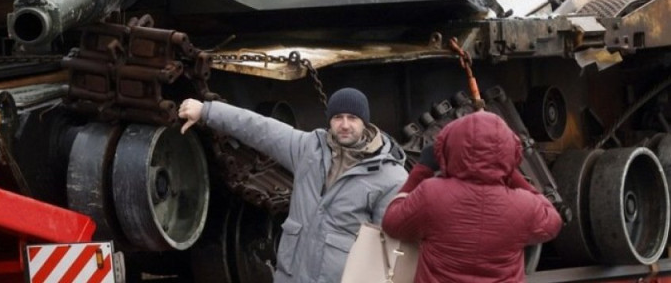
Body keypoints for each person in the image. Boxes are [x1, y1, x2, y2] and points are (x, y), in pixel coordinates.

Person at [179, 88, 408, 283]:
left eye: (352, 118)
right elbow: (260, 129)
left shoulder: (389, 177)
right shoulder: (309, 149)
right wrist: (207, 111)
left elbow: (387, 251)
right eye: (338, 117)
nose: (345, 125)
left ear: (365, 122)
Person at [382, 111, 562, 283]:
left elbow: (392, 223)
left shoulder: (431, 194)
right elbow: (553, 221)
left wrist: (421, 170)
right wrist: (511, 173)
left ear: (449, 146)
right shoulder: (524, 205)